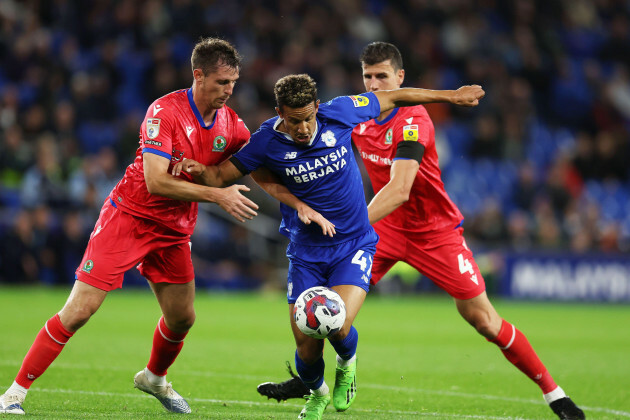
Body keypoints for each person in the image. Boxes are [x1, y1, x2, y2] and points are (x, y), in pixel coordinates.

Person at [255, 42, 585, 420]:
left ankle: (555, 394)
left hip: (434, 231)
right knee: (317, 307)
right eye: (368, 76)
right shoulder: (355, 117)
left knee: (484, 320)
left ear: (400, 78)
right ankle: (309, 380)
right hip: (384, 230)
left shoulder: (414, 121)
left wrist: (348, 225)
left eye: (382, 76)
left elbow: (399, 190)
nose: (375, 84)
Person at [172, 73, 484, 420]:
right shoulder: (265, 142)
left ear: (318, 108)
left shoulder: (340, 112)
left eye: (308, 118)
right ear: (280, 113)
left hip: (353, 244)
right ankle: (317, 392)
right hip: (305, 254)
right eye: (294, 121)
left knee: (333, 322)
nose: (303, 128)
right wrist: (195, 167)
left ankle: (347, 362)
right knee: (305, 350)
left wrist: (451, 96)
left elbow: (396, 96)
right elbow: (218, 177)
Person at [0, 37, 262, 415]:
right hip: (130, 218)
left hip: (174, 229)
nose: (229, 90)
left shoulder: (232, 126)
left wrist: (297, 200)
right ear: (198, 75)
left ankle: (154, 378)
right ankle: (14, 393)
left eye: (234, 82)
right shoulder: (165, 112)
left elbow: (239, 170)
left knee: (182, 318)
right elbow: (157, 181)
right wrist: (218, 195)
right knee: (79, 310)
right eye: (222, 82)